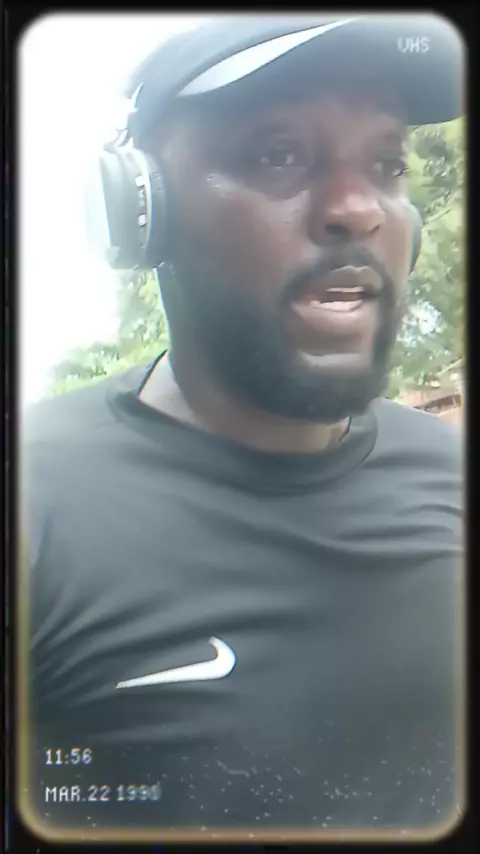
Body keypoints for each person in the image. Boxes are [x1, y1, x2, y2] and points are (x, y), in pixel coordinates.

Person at [22, 13, 464, 841]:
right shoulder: (36, 508)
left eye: (387, 163)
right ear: (138, 210)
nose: (356, 209)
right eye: (277, 155)